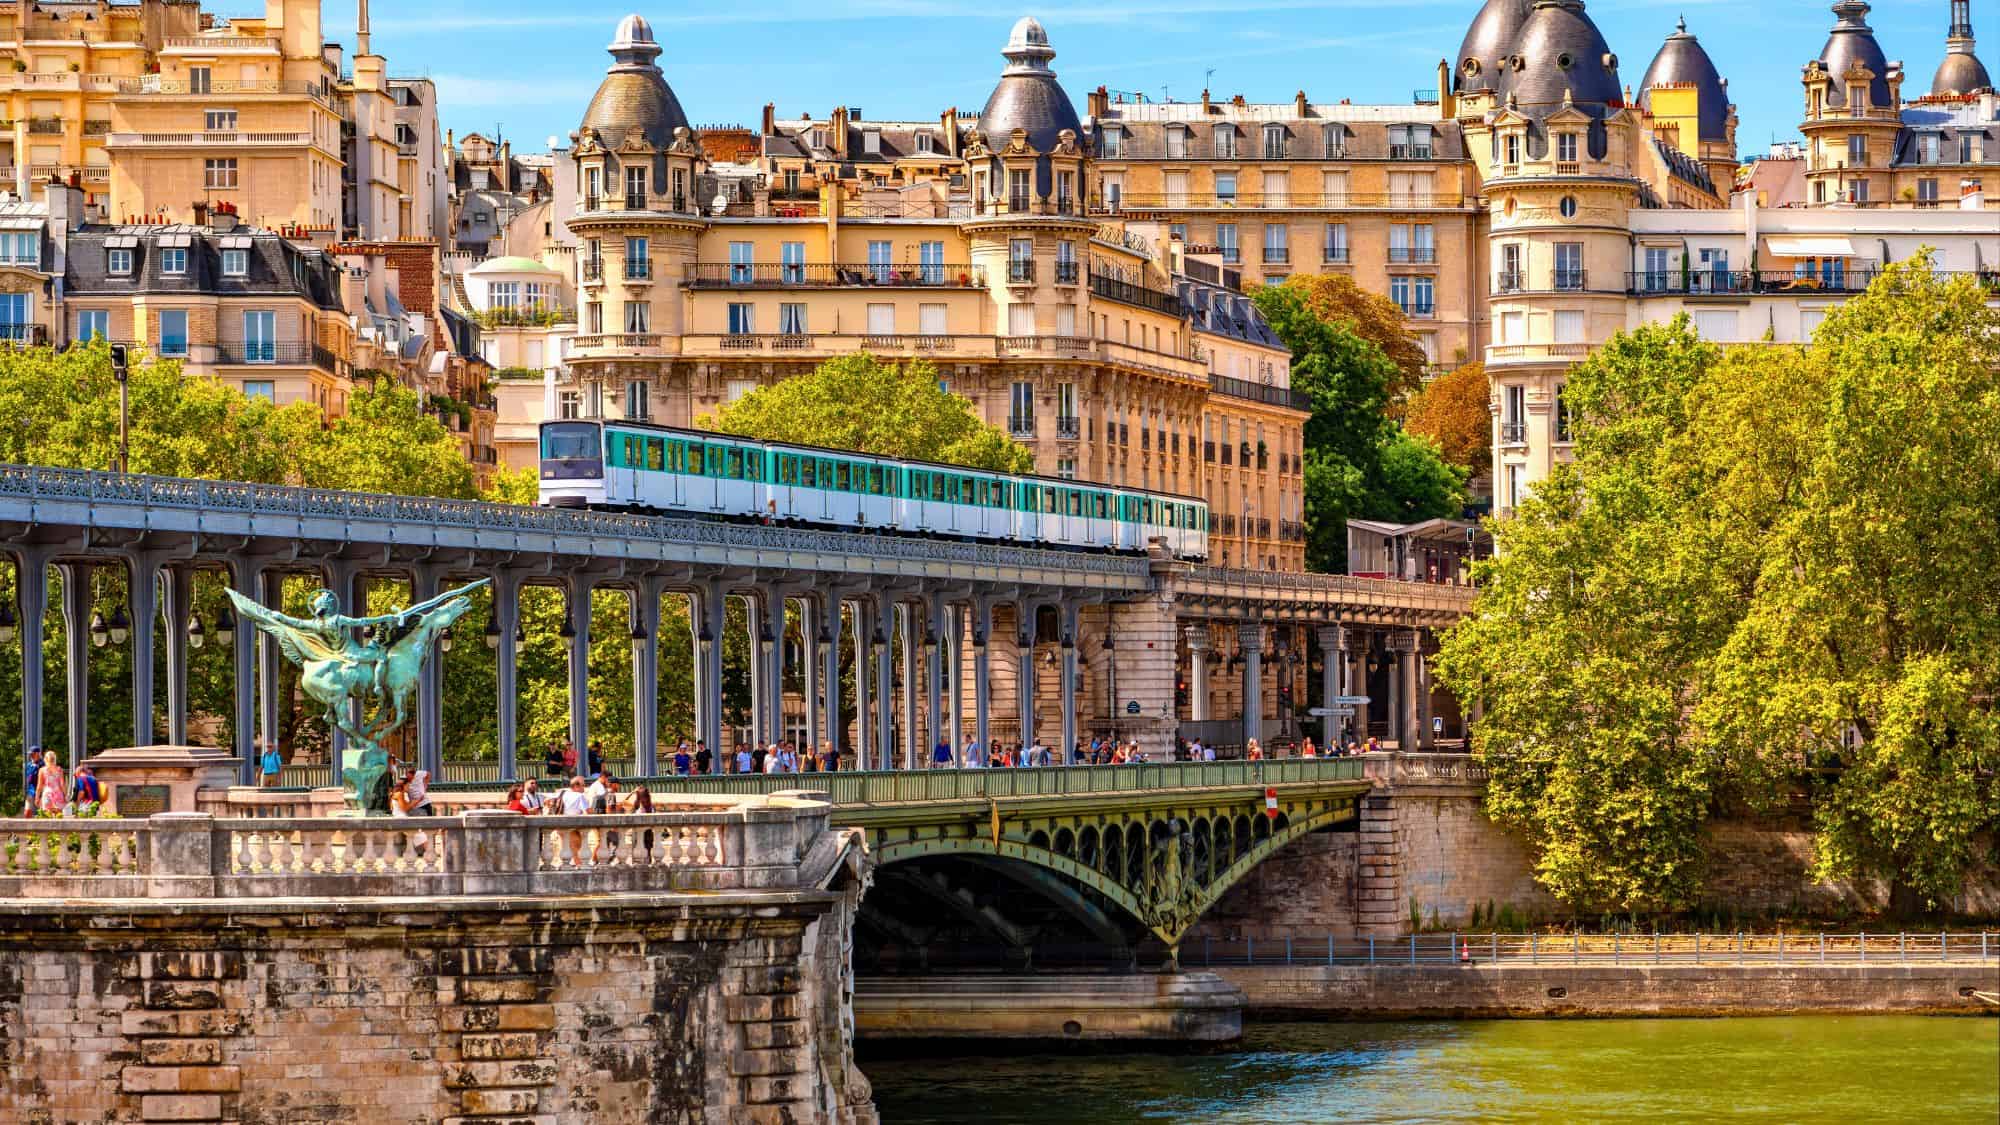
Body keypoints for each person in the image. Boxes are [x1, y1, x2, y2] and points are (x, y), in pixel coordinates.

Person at [33, 749, 67, 816]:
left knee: (47, 816)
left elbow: (39, 786)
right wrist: (66, 795)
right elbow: (62, 784)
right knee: (58, 816)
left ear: (45, 759)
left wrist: (37, 797)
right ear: (55, 759)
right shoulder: (59, 769)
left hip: (47, 794)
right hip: (58, 794)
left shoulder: (42, 770)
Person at [21, 747, 42, 815]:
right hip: (31, 790)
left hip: (41, 791)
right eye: (30, 755)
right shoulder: (29, 765)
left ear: (38, 754)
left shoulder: (43, 764)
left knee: (42, 813)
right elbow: (29, 777)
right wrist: (34, 766)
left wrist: (36, 766)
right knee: (27, 812)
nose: (31, 756)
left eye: (32, 754)